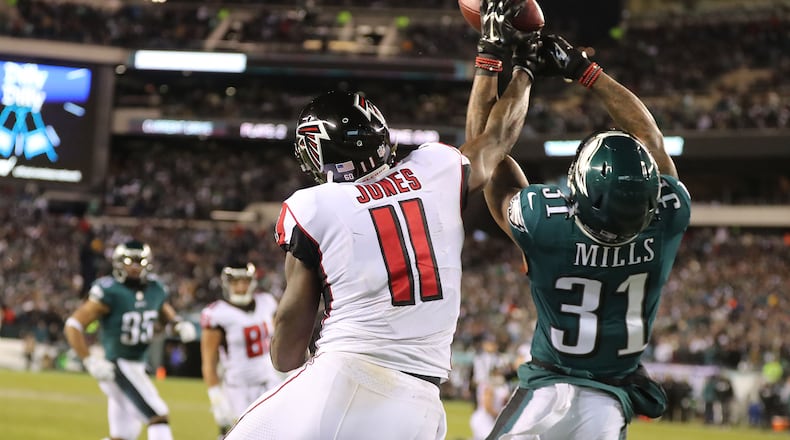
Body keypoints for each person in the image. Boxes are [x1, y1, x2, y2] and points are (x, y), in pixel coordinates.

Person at [225, 2, 539, 438]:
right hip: (421, 401)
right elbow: (498, 138)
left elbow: (288, 335)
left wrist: (285, 358)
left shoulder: (313, 207)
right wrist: (524, 66)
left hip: (341, 376)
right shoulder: (434, 169)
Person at [481, 34, 692, 439]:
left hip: (546, 388)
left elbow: (488, 157)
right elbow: (651, 139)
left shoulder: (549, 222)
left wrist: (508, 67)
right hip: (608, 400)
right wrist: (586, 72)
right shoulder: (669, 215)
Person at [64, 240, 197, 440]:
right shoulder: (110, 291)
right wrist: (88, 359)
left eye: (139, 262)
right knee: (158, 415)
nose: (134, 267)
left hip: (138, 365)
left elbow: (162, 309)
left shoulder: (155, 288)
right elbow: (73, 325)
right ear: (118, 263)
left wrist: (177, 323)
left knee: (123, 436)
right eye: (129, 262)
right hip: (118, 366)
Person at [200, 261, 282, 438]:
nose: (241, 286)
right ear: (227, 284)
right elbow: (208, 363)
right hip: (238, 389)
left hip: (269, 382)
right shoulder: (217, 313)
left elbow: (278, 341)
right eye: (236, 282)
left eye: (244, 281)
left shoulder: (266, 302)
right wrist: (217, 400)